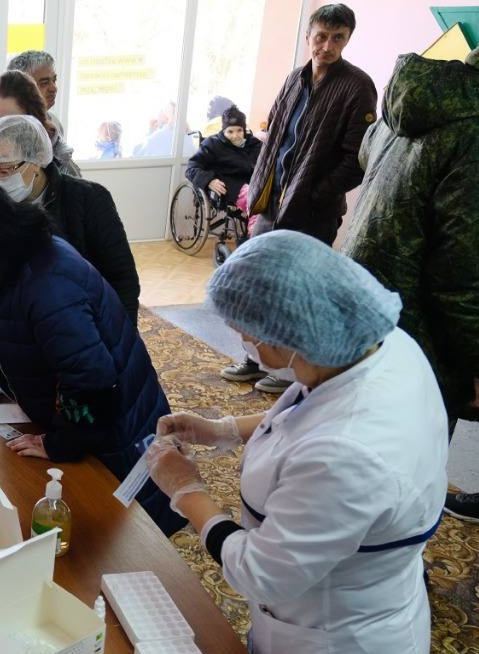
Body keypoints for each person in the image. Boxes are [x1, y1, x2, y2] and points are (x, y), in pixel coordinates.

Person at [147, 230, 447, 652]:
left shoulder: (346, 455)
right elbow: (310, 411)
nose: (243, 341)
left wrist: (186, 490)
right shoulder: (377, 343)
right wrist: (221, 429)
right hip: (353, 590)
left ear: (288, 338)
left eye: (246, 333)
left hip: (331, 634)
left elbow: (259, 573)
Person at [0, 180, 183, 536]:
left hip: (116, 434)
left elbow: (91, 380)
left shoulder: (46, 285)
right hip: (102, 422)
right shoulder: (18, 260)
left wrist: (59, 443)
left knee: (126, 535)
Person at [343, 48, 479, 521]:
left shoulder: (412, 103)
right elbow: (461, 274)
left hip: (364, 303)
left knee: (353, 440)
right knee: (405, 468)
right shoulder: (472, 130)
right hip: (420, 331)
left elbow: (366, 155)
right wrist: (475, 362)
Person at [225, 3, 377, 394]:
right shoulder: (295, 78)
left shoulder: (357, 86)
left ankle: (288, 371)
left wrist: (315, 193)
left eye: (337, 38)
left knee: (296, 293)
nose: (327, 46)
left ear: (347, 40)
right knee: (259, 285)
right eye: (321, 36)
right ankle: (256, 358)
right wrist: (259, 186)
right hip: (273, 204)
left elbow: (357, 159)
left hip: (313, 212)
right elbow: (274, 132)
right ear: (309, 36)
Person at [0, 115, 139, 353]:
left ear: (36, 161)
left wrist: (121, 340)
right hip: (14, 336)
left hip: (78, 328)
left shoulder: (89, 200)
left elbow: (122, 278)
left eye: (5, 169)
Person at [184, 105, 262, 211]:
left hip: (253, 183)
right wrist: (209, 181)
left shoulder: (254, 144)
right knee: (256, 203)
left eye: (239, 130)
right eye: (230, 131)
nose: (235, 135)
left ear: (244, 130)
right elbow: (191, 169)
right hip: (229, 185)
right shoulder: (212, 144)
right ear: (224, 130)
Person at [132, 101, 197, 158]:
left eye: (161, 111)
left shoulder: (158, 136)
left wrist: (150, 132)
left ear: (166, 116)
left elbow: (136, 154)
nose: (157, 115)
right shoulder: (187, 137)